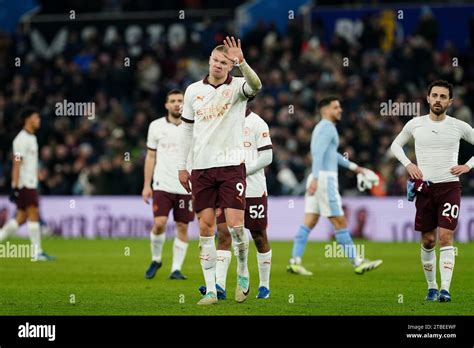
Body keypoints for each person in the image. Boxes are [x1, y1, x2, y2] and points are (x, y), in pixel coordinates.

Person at [178, 36, 262, 305]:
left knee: (236, 227)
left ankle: (242, 269)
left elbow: (257, 86)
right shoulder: (192, 91)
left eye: (224, 62)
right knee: (205, 228)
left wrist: (243, 63)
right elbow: (187, 130)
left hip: (230, 166)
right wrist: (183, 166)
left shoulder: (238, 87)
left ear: (230, 66)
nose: (218, 65)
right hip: (201, 169)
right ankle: (211, 290)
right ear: (209, 61)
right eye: (215, 60)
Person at [391, 80, 473, 302]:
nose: (438, 100)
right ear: (428, 98)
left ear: (450, 101)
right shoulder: (415, 124)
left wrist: (468, 166)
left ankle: (445, 290)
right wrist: (408, 164)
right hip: (425, 189)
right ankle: (432, 287)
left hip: (449, 187)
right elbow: (395, 145)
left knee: (446, 236)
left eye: (443, 96)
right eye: (434, 95)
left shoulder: (458, 126)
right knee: (428, 240)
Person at [287, 96, 382, 275]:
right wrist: (316, 178)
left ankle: (295, 261)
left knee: (310, 220)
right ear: (325, 110)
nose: (340, 110)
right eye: (336, 107)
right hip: (324, 179)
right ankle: (357, 262)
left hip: (317, 177)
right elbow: (318, 154)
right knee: (340, 221)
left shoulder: (322, 128)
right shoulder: (328, 128)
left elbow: (331, 154)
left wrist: (356, 167)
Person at [198, 108, 273, 300]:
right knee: (224, 233)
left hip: (254, 188)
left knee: (258, 235)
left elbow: (267, 157)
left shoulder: (257, 123)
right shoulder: (221, 122)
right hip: (226, 188)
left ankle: (264, 285)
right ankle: (219, 285)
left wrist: (239, 172)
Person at [142, 90, 194, 280]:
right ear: (166, 105)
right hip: (162, 184)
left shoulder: (192, 127)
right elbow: (150, 156)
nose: (176, 104)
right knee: (159, 223)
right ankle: (156, 259)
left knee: (182, 226)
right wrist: (146, 185)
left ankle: (176, 269)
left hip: (185, 186)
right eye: (172, 101)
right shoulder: (155, 126)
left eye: (180, 100)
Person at [0, 107, 55, 261]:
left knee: (21, 218)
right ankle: (37, 253)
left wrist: (38, 173)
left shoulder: (32, 138)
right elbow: (17, 164)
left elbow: (30, 162)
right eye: (36, 118)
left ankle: (37, 252)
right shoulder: (21, 140)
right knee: (33, 213)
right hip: (25, 184)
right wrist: (15, 186)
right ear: (28, 120)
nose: (39, 121)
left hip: (31, 182)